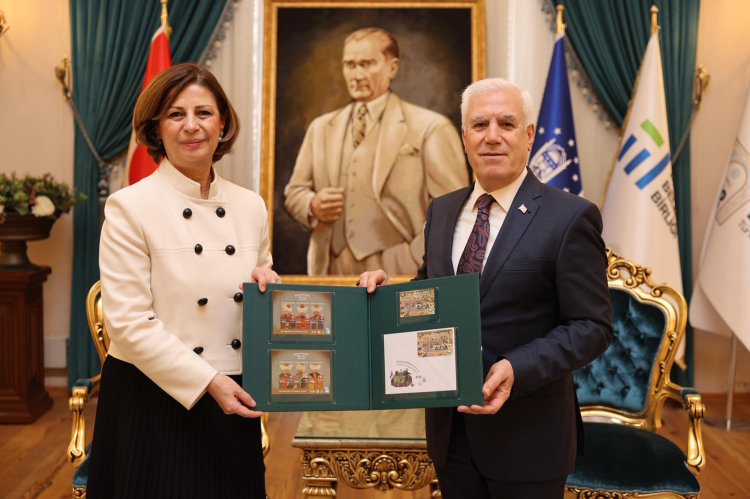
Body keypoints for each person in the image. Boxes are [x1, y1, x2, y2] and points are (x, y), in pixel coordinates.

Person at [359, 78, 613, 498]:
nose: (492, 136)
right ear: (464, 137)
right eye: (480, 125)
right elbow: (431, 293)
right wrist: (387, 295)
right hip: (450, 433)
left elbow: (592, 326)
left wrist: (517, 367)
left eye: (506, 124)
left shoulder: (570, 217)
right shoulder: (442, 210)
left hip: (530, 439)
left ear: (528, 135)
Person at [87, 62, 278, 498]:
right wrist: (207, 381)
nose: (192, 126)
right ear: (157, 128)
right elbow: (128, 325)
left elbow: (260, 290)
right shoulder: (129, 207)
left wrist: (269, 285)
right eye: (176, 114)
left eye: (204, 112)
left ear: (222, 122)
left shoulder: (251, 206)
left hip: (234, 391)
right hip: (153, 394)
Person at [283, 27, 469, 276]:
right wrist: (312, 204)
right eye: (350, 65)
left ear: (392, 67)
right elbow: (294, 193)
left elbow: (455, 210)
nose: (357, 74)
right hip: (331, 269)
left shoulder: (431, 127)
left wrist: (412, 258)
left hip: (401, 269)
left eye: (367, 64)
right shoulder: (321, 128)